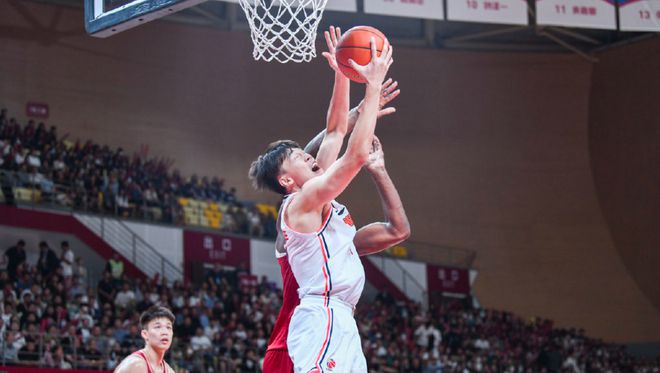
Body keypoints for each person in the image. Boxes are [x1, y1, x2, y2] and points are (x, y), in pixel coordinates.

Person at [250, 28, 395, 372]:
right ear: (287, 179)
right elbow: (354, 153)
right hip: (298, 334)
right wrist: (371, 89)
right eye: (300, 156)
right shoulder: (302, 202)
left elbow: (334, 131)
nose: (309, 156)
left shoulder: (313, 191)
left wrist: (343, 74)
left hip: (334, 322)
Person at [114, 306, 175, 373]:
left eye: (168, 327)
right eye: (158, 327)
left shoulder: (169, 370)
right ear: (145, 334)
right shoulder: (136, 365)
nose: (165, 332)